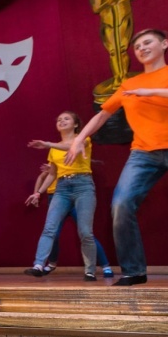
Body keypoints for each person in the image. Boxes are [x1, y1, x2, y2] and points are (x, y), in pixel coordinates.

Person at [66, 28, 168, 287]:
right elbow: (103, 114)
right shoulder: (129, 84)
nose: (141, 48)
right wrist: (79, 138)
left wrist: (154, 92)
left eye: (147, 42)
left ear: (165, 44)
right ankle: (133, 271)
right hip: (143, 153)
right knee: (121, 205)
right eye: (137, 46)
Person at [25, 112, 98, 280]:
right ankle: (38, 265)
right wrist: (38, 192)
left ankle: (90, 270)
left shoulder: (83, 139)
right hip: (62, 188)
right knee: (49, 228)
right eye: (59, 119)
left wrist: (47, 144)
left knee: (85, 231)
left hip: (83, 185)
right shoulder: (54, 148)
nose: (61, 121)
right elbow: (52, 174)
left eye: (66, 119)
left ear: (76, 124)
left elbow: (72, 146)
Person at [29, 163, 115, 277]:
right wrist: (37, 193)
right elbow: (42, 177)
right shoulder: (55, 159)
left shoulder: (77, 161)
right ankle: (51, 263)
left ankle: (105, 266)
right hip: (56, 196)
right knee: (52, 232)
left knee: (86, 233)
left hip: (75, 195)